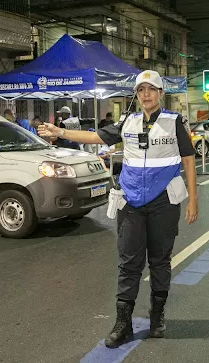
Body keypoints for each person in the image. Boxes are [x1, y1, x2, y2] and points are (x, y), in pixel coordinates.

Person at [38, 70, 198, 348]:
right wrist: (59, 131)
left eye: (151, 89)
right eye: (141, 90)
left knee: (160, 261)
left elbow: (188, 160)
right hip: (131, 202)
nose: (146, 94)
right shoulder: (128, 122)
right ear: (136, 95)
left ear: (160, 93)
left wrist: (193, 200)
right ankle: (122, 323)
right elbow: (96, 137)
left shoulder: (174, 123)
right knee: (129, 264)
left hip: (163, 202)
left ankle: (157, 317)